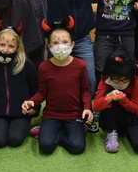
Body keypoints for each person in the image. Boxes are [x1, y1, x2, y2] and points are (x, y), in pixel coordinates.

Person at [22, 18, 92, 154]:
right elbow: (42, 93)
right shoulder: (43, 67)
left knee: (77, 147)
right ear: (48, 45)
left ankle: (66, 131)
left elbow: (85, 90)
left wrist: (87, 108)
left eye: (65, 42)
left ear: (72, 44)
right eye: (55, 42)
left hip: (74, 114)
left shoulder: (80, 65)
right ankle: (52, 132)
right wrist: (32, 101)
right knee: (46, 146)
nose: (60, 46)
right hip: (51, 115)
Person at [0, 28, 39, 148]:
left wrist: (35, 108)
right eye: (2, 45)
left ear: (17, 48)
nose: (6, 50)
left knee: (14, 140)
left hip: (21, 113)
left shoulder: (26, 64)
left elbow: (35, 89)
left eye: (11, 46)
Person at [93, 49, 138, 154]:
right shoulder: (105, 80)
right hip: (113, 116)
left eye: (124, 79)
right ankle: (112, 132)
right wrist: (109, 97)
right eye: (116, 79)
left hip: (133, 116)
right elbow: (96, 106)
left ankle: (126, 130)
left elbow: (136, 108)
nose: (120, 83)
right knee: (108, 94)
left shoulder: (136, 81)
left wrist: (123, 98)